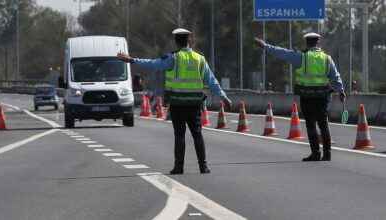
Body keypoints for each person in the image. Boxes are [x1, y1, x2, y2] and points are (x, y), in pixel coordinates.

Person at [117, 28, 232, 174]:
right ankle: (203, 166)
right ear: (189, 41)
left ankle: (179, 167)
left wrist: (132, 60)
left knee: (179, 135)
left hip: (177, 103)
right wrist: (224, 98)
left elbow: (152, 63)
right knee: (197, 134)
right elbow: (212, 81)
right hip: (194, 104)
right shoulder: (200, 58)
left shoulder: (173, 58)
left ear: (176, 42)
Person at [254, 32, 345, 161]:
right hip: (322, 97)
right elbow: (336, 77)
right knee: (324, 124)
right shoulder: (327, 58)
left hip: (307, 96)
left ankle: (316, 153)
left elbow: (282, 53)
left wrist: (265, 46)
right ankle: (327, 153)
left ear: (307, 43)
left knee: (311, 125)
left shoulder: (301, 56)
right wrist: (341, 92)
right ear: (318, 43)